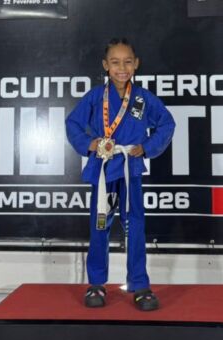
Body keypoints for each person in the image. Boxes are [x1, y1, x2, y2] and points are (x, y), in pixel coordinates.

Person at [66, 38, 176, 311]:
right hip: (104, 170)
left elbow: (167, 123)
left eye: (127, 62)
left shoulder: (143, 98)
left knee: (135, 225)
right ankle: (96, 283)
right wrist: (89, 144)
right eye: (115, 62)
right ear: (105, 65)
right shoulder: (95, 97)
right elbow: (73, 123)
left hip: (129, 169)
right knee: (100, 225)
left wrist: (147, 147)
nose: (122, 68)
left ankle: (139, 284)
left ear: (136, 64)